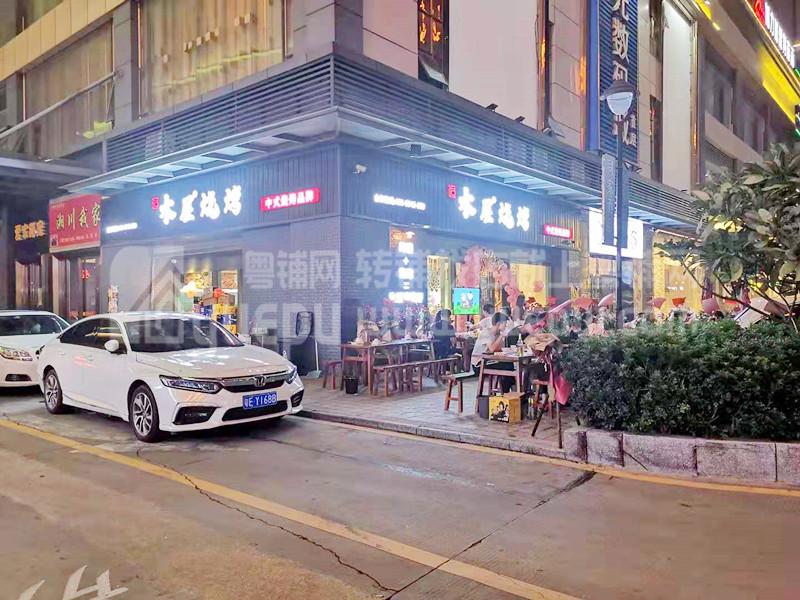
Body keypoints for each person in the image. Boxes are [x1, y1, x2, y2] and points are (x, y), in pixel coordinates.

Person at [471, 312, 514, 392]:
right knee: (507, 366)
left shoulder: (498, 334)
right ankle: (507, 393)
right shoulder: (486, 333)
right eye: (505, 324)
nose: (506, 326)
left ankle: (510, 392)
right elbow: (492, 349)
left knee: (510, 366)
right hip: (479, 364)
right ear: (498, 324)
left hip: (490, 361)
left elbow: (500, 349)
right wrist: (502, 335)